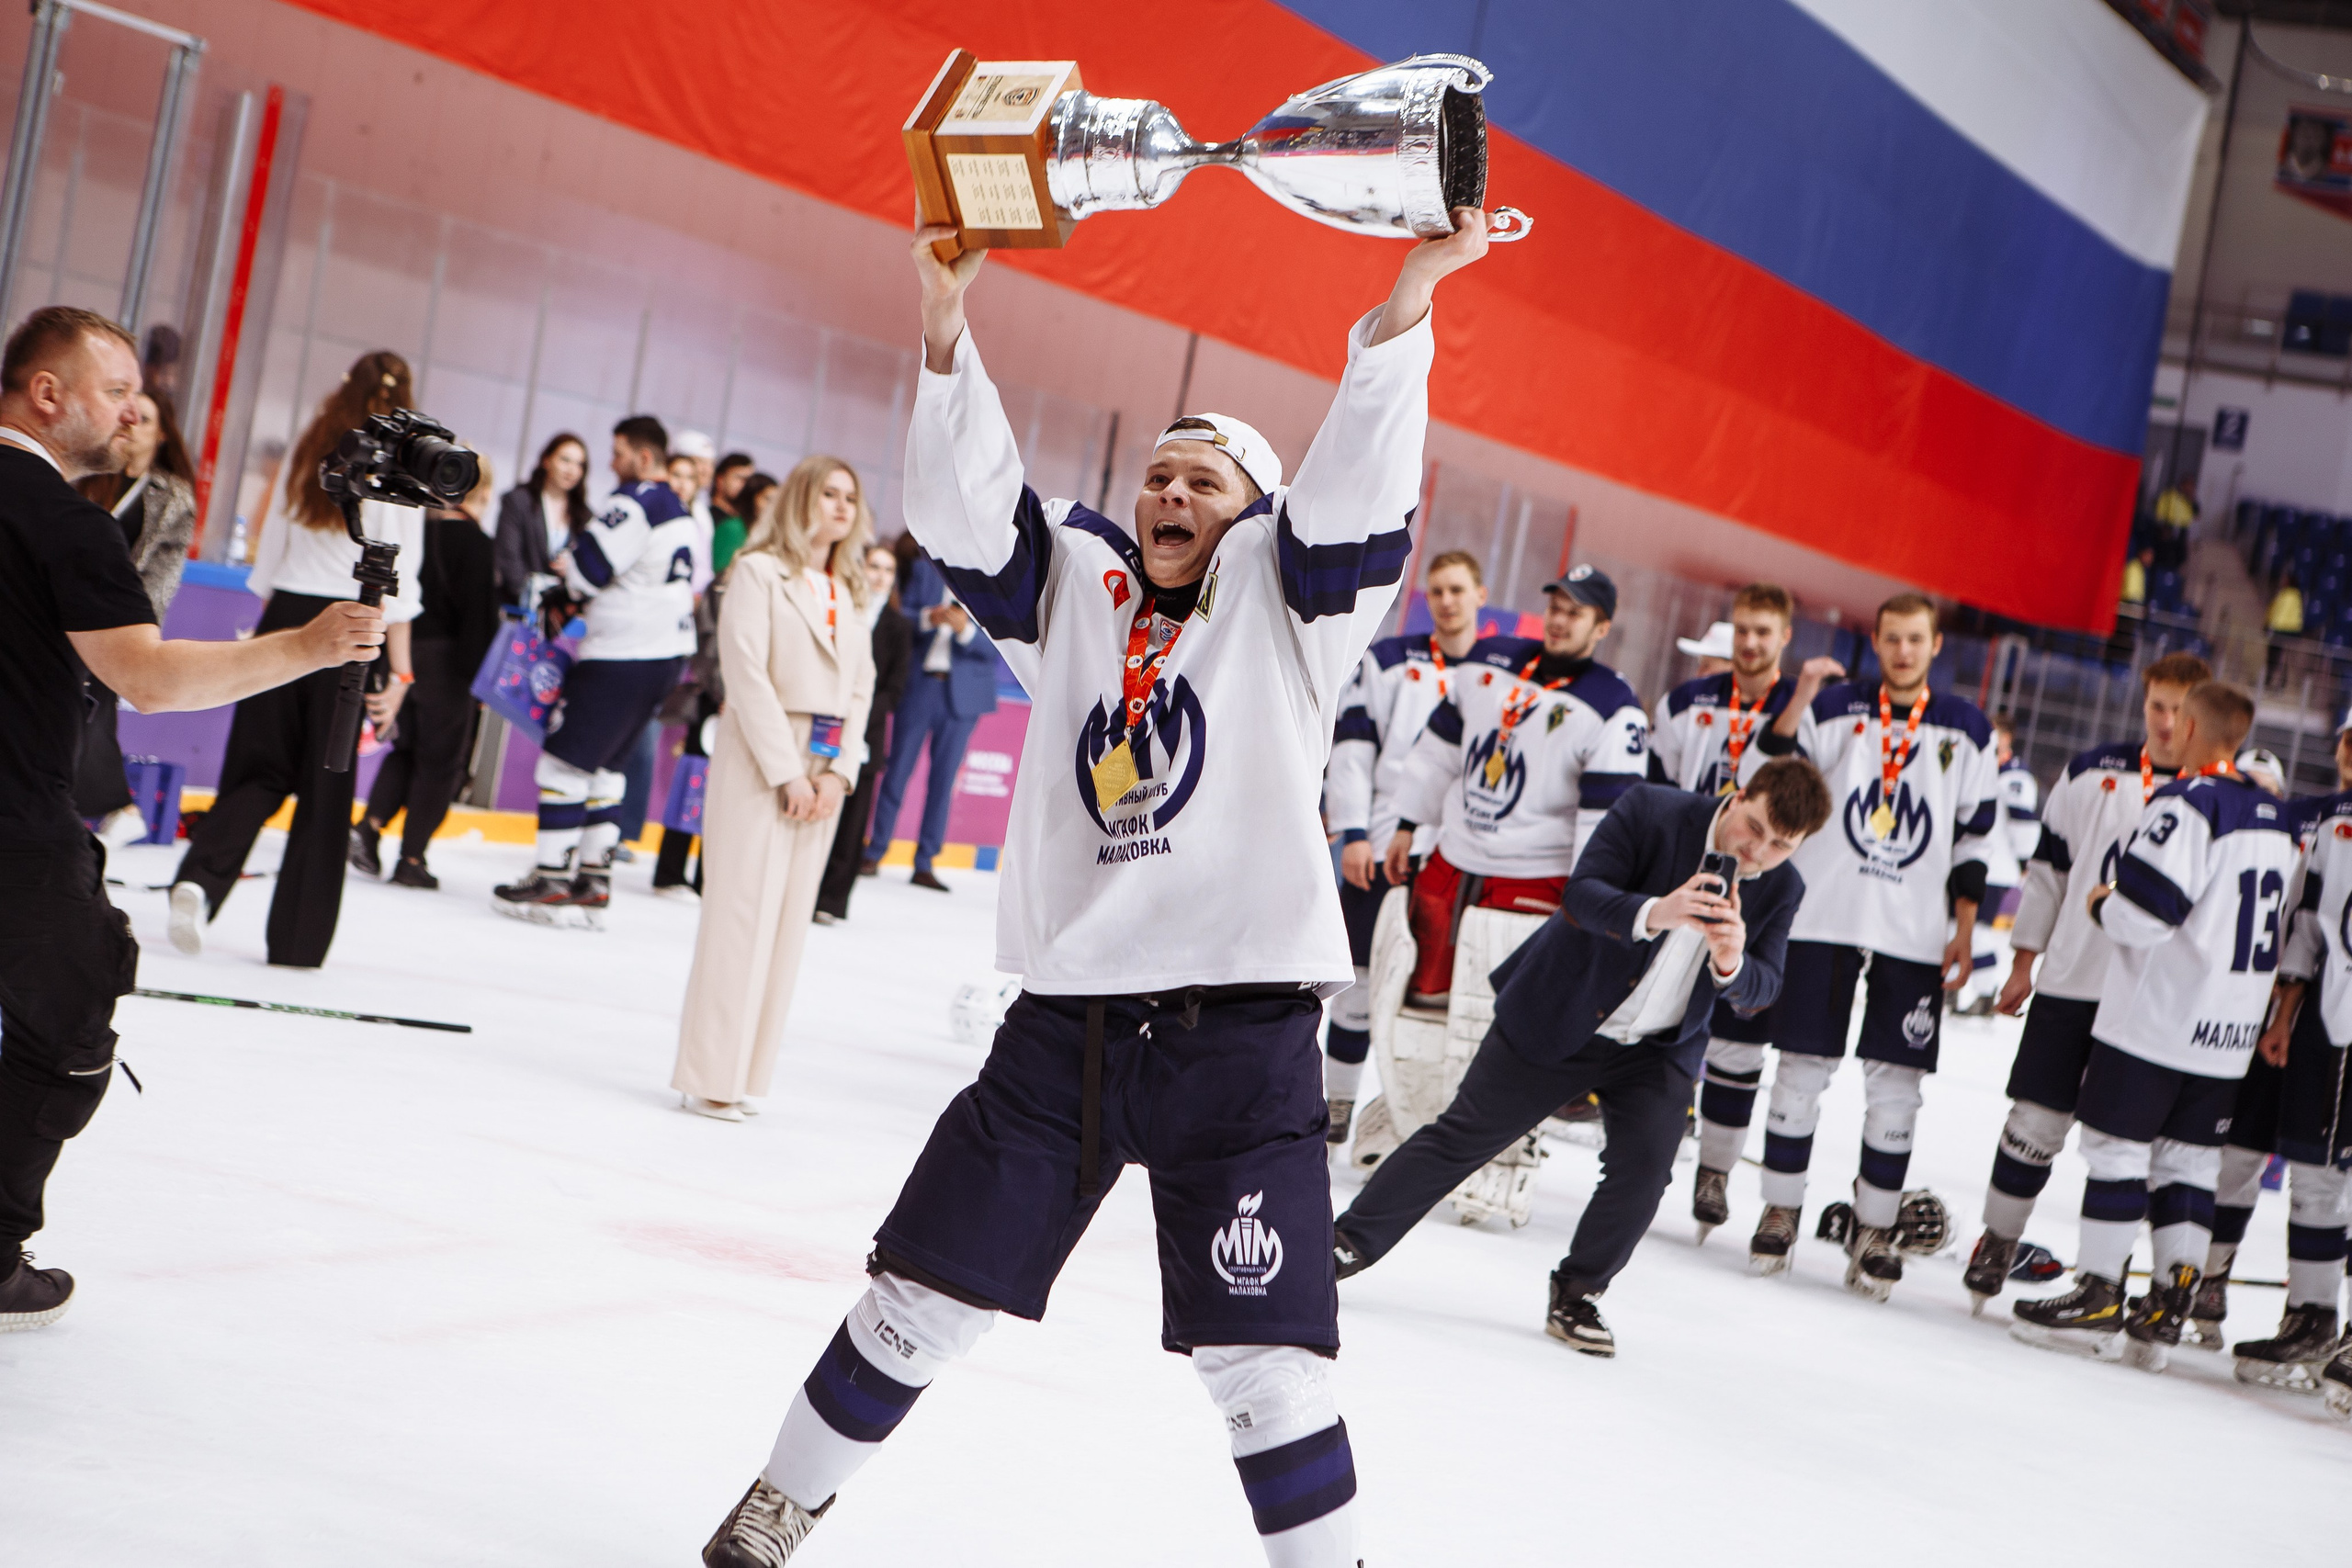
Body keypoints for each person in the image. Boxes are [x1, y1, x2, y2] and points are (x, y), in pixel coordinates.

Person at [695, 209, 1488, 1568]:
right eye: (1159, 477)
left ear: (1254, 511)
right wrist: (947, 322)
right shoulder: (1076, 593)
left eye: (1205, 484)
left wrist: (1409, 295)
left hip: (1240, 1043)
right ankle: (783, 1498)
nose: (1171, 496)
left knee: (1267, 1365)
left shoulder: (1295, 605)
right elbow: (965, 505)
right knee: (915, 1296)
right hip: (1063, 1033)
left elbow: (1356, 485)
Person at [0, 306, 383, 1327]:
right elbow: (152, 679)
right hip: (15, 822)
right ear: (48, 393)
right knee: (71, 1021)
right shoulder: (64, 520)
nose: (136, 410)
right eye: (118, 389)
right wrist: (310, 646)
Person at [1332, 759, 1830, 1357]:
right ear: (1740, 794)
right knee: (1463, 1136)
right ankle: (1344, 1245)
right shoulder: (1653, 810)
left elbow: (1764, 984)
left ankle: (1578, 1290)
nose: (1758, 851)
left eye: (1782, 845)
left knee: (1644, 1172)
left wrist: (1732, 962)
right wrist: (1659, 912)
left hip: (1658, 1047)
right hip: (1559, 1013)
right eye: (1755, 827)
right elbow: (1583, 893)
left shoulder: (1783, 886)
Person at [1698, 592, 1998, 1297]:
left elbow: (1976, 833)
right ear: (1877, 639)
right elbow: (1763, 770)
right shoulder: (1836, 709)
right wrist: (1801, 695)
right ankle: (1781, 1209)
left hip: (1914, 934)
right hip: (1825, 918)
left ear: (1934, 645)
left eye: (1915, 639)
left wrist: (1963, 930)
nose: (1902, 650)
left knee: (1896, 1090)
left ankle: (1874, 1228)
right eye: (1891, 637)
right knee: (1801, 1068)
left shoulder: (1965, 726)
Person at [2010, 682, 2298, 1371]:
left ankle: (2100, 1294)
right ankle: (2172, 1301)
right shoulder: (2280, 820)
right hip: (2227, 1031)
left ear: (2193, 725)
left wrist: (2102, 902)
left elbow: (2146, 911)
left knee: (2114, 1149)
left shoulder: (2188, 802)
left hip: (2157, 1019)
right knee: (2190, 1164)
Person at [1962, 653, 2211, 1314]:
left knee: (2130, 1149)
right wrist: (2023, 961)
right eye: (2156, 704)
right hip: (2072, 982)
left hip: (2152, 1005)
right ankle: (1998, 1240)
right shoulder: (2091, 769)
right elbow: (2048, 871)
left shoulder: (2218, 798)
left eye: (2179, 709)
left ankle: (2120, 1276)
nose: (2165, 720)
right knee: (2033, 1123)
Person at [164, 351, 425, 968]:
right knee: (326, 788)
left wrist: (267, 633)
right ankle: (298, 941)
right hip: (354, 624)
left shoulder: (313, 448)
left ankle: (201, 877)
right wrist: (403, 673)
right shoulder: (407, 466)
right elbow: (402, 584)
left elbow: (269, 558)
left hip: (286, 618)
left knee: (257, 770)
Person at [671, 457, 876, 1120]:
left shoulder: (848, 591)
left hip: (823, 768)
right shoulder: (758, 572)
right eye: (829, 494)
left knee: (786, 925)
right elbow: (745, 673)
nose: (842, 506)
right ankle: (709, 1074)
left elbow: (860, 689)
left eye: (850, 497)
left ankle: (746, 1073)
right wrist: (787, 771)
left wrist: (838, 772)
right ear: (799, 501)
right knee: (738, 918)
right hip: (765, 757)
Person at [1383, 565, 1648, 998]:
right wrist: (1407, 827)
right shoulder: (1486, 660)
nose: (1559, 621)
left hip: (1534, 876)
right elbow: (1440, 751)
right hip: (1453, 860)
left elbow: (1604, 820)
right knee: (1418, 996)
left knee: (1493, 1009)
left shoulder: (1615, 707)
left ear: (1602, 628)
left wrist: (1591, 895)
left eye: (1575, 614)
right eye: (1555, 608)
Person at [2191, 706, 2352, 1359]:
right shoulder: (2318, 818)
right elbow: (2307, 927)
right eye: (2347, 739)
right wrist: (2284, 1014)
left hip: (2319, 1016)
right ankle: (2299, 1315)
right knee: (2290, 1165)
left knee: (2324, 1173)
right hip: (2300, 1014)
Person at [493, 415, 695, 926]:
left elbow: (589, 569)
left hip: (623, 652)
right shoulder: (679, 508)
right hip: (664, 653)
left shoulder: (638, 498)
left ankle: (551, 879)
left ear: (644, 457)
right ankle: (592, 880)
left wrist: (570, 573)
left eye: (619, 451)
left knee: (563, 764)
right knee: (605, 767)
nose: (612, 462)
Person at [1319, 548, 1491, 1145]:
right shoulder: (1389, 660)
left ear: (1480, 595)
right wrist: (1352, 832)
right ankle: (1336, 1103)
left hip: (1459, 858)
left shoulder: (1505, 674)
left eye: (1457, 590)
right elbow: (1353, 749)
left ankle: (1412, 1122)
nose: (1446, 600)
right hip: (1384, 846)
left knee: (1436, 996)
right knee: (1361, 982)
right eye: (1437, 590)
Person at [1654, 583, 1808, 1235]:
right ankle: (1646, 1147)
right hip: (1684, 874)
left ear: (1784, 639)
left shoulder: (1808, 712)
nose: (1750, 642)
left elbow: (1802, 802)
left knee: (1739, 1043)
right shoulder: (1685, 702)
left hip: (1755, 885)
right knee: (1662, 1018)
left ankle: (1714, 1171)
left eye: (1763, 631)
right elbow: (1656, 786)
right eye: (1742, 628)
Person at [2223, 768, 2352, 1391]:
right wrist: (2285, 1013)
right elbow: (2306, 925)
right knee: (2315, 1176)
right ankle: (2313, 1318)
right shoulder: (2335, 823)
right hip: (2327, 1021)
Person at [351, 458, 501, 888]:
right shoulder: (476, 544)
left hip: (405, 655)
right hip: (448, 667)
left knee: (406, 750)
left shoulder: (420, 531)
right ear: (482, 492)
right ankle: (412, 857)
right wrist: (478, 679)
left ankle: (370, 827)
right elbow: (478, 620)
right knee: (440, 764)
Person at [72, 387, 196, 836]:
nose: (132, 427)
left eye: (145, 420)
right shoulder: (87, 474)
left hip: (114, 620)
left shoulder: (172, 497)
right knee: (77, 708)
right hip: (63, 607)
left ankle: (116, 809)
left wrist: (138, 632)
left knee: (89, 704)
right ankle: (111, 810)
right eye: (127, 416)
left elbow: (165, 573)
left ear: (162, 434)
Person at [862, 548, 999, 890]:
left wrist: (965, 631)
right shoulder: (925, 571)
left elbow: (1005, 644)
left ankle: (925, 861)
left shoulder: (993, 581)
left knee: (943, 782)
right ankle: (875, 850)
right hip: (920, 687)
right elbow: (897, 617)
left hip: (961, 699)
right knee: (896, 772)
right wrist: (928, 619)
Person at [814, 539, 913, 923]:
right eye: (875, 567)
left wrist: (861, 716)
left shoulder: (899, 626)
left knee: (853, 822)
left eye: (888, 570)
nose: (881, 576)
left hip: (867, 735)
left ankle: (832, 902)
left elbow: (895, 688)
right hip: (825, 724)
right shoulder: (841, 612)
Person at [492, 432, 590, 607]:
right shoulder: (519, 501)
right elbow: (508, 558)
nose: (572, 470)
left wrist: (573, 568)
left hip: (562, 615)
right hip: (518, 607)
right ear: (547, 460)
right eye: (565, 460)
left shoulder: (584, 515)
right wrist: (534, 599)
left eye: (579, 464)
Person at [710, 456, 758, 574]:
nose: (746, 485)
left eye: (749, 480)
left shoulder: (745, 523)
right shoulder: (706, 517)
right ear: (720, 479)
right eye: (739, 478)